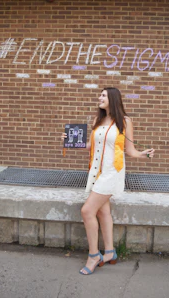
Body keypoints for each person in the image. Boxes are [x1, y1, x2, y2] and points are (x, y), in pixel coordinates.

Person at [62, 87, 155, 275]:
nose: (99, 97)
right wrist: (69, 141)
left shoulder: (125, 121)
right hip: (96, 172)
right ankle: (110, 252)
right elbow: (90, 145)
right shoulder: (97, 120)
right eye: (100, 95)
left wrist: (143, 155)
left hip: (112, 172)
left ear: (113, 99)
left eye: (103, 95)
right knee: (103, 213)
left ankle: (94, 255)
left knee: (87, 210)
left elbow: (130, 150)